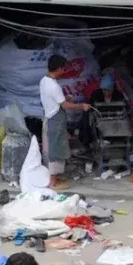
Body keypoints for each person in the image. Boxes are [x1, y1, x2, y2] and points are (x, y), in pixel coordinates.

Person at [40, 54, 91, 191]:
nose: (64, 71)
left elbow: (55, 100)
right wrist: (81, 106)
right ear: (57, 68)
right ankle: (53, 183)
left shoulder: (44, 81)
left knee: (57, 148)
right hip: (55, 121)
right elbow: (65, 106)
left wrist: (65, 98)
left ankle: (55, 177)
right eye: (63, 69)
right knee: (56, 151)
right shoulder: (53, 86)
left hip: (51, 118)